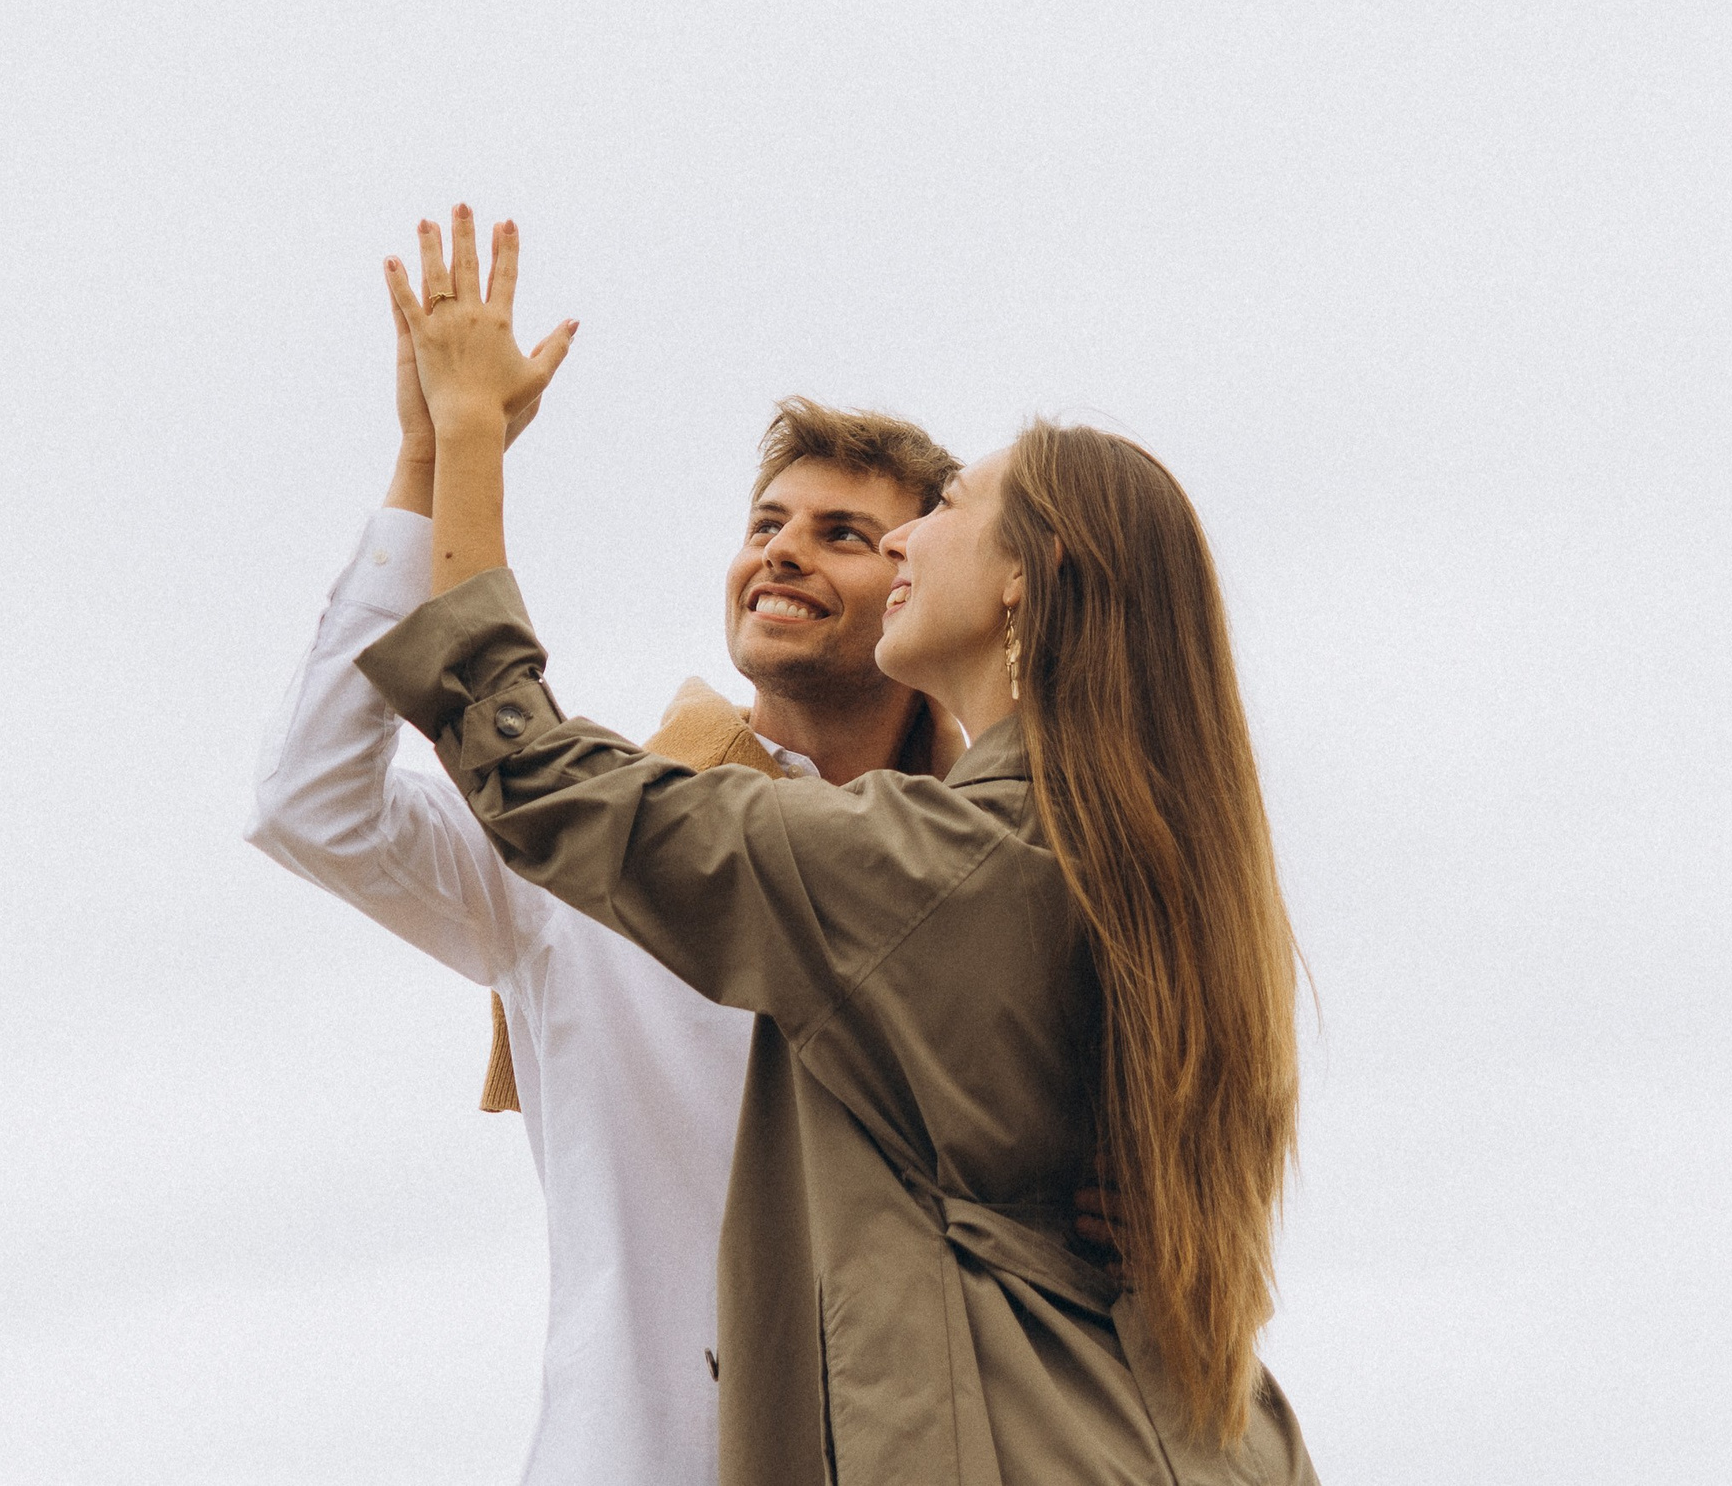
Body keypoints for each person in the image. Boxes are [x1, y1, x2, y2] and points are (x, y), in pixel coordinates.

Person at [361, 204, 1320, 1484]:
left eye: (951, 511)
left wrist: (464, 438)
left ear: (1026, 584)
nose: (912, 536)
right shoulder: (1102, 848)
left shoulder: (941, 865)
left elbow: (531, 770)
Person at [245, 215, 975, 1484]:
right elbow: (311, 801)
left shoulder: (985, 877)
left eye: (845, 534)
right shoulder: (594, 852)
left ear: (916, 589)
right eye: (768, 521)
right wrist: (429, 462)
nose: (783, 550)